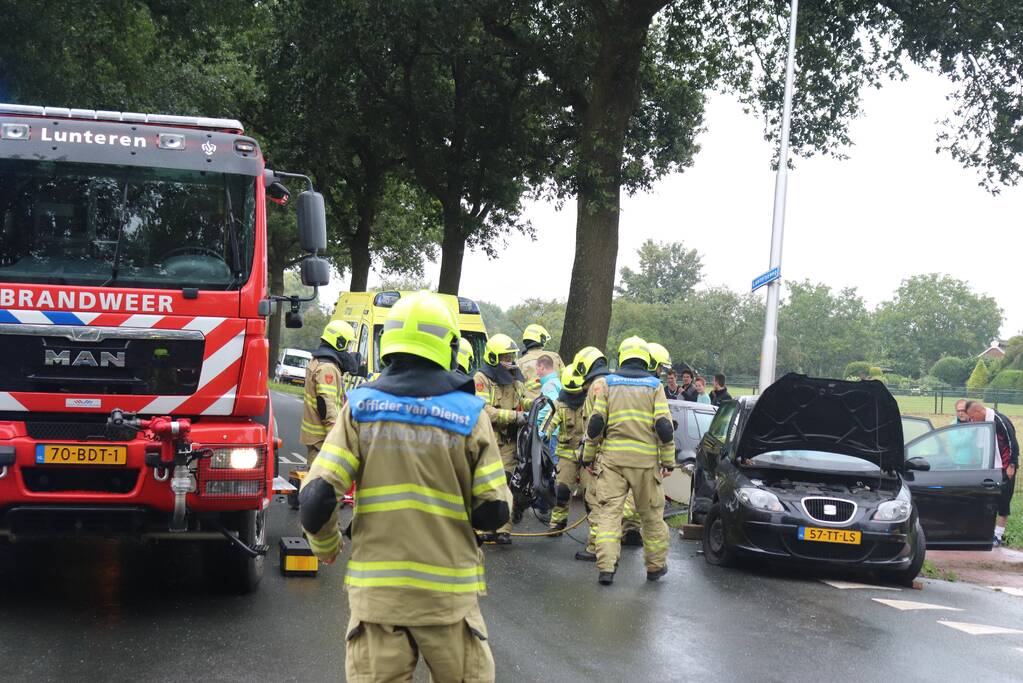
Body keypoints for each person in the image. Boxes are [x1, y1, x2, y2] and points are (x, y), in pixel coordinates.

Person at [299, 292, 510, 682]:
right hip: (448, 603)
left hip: (378, 602)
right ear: (448, 346)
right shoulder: (471, 415)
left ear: (387, 345)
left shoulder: (360, 408)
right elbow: (494, 510)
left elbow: (316, 498)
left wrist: (327, 547)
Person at [584, 336, 675, 585]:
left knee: (609, 515)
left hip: (612, 462)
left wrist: (587, 458)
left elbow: (595, 424)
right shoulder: (655, 386)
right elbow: (664, 427)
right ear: (645, 358)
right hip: (645, 463)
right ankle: (655, 567)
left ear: (622, 356)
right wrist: (668, 461)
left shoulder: (606, 383)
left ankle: (605, 568)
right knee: (651, 517)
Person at [475, 333, 529, 544]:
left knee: (508, 484)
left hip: (509, 442)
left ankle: (504, 529)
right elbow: (484, 410)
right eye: (505, 358)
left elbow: (523, 400)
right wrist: (515, 417)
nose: (510, 362)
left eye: (511, 357)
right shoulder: (481, 379)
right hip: (489, 439)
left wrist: (535, 404)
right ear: (493, 358)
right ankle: (485, 528)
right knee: (486, 484)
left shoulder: (515, 378)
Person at [570, 345, 612, 561]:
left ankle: (595, 548)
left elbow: (594, 426)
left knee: (594, 499)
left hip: (599, 456)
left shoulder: (597, 386)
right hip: (613, 455)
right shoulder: (611, 382)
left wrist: (586, 454)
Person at [542, 367, 594, 539]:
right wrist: (543, 435)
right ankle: (557, 523)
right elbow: (549, 423)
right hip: (566, 454)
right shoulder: (559, 404)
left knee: (590, 494)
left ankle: (596, 533)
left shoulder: (592, 402)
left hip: (588, 455)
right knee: (562, 490)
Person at [299, 319, 357, 469]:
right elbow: (327, 406)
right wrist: (336, 438)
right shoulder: (328, 369)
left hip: (317, 439)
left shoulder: (318, 361)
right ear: (340, 342)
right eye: (348, 344)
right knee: (321, 486)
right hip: (323, 441)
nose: (349, 350)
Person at [967, 401, 1019, 546]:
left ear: (978, 412)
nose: (971, 420)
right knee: (988, 501)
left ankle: (998, 535)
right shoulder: (982, 424)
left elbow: (1013, 443)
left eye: (972, 417)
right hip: (990, 468)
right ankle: (985, 532)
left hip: (1005, 468)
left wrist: (1012, 464)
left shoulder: (999, 420)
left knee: (1003, 501)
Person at [517, 323, 565, 400]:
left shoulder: (520, 363)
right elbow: (565, 380)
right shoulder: (555, 357)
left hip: (533, 409)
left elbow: (518, 391)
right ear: (542, 339)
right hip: (556, 407)